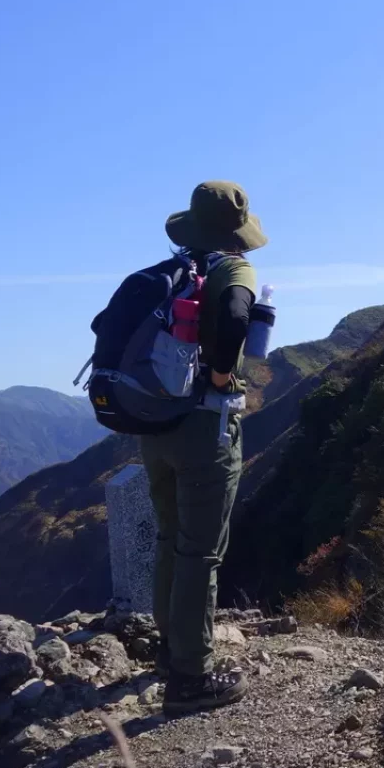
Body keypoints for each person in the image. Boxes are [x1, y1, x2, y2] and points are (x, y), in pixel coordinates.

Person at [142, 180, 264, 714]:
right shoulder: (233, 270)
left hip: (155, 423)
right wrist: (218, 376)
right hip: (204, 428)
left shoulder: (173, 270)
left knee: (171, 536)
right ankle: (191, 677)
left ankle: (170, 647)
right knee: (201, 550)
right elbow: (237, 316)